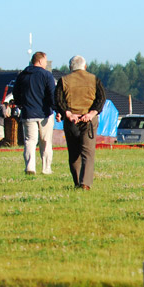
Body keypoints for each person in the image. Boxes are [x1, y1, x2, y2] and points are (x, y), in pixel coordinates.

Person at [54, 55, 106, 190]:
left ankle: (77, 182)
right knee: (88, 153)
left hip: (71, 120)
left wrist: (68, 113)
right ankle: (85, 183)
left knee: (74, 153)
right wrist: (91, 113)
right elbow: (101, 98)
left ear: (70, 67)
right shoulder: (94, 79)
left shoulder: (63, 80)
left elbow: (59, 100)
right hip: (89, 121)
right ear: (85, 66)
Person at [13, 51, 56, 175]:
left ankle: (30, 167)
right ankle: (46, 168)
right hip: (45, 114)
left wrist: (20, 104)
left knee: (30, 141)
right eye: (45, 60)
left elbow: (16, 92)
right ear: (41, 61)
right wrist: (57, 109)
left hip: (28, 113)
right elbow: (52, 94)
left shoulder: (22, 75)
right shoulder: (47, 75)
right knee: (46, 141)